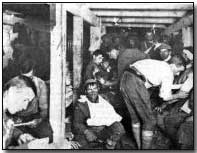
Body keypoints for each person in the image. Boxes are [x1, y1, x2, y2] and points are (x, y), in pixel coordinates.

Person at [120, 54, 186, 149]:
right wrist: (178, 95)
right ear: (173, 65)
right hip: (136, 83)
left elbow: (162, 84)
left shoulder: (161, 65)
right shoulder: (168, 72)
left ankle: (139, 147)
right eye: (178, 71)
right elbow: (164, 96)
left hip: (125, 79)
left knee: (135, 118)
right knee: (150, 121)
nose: (178, 74)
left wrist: (180, 86)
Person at [73, 79, 125, 149]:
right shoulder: (81, 104)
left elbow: (112, 118)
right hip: (88, 130)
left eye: (95, 89)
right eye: (89, 90)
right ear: (85, 91)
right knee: (79, 145)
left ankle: (109, 145)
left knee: (119, 129)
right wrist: (87, 132)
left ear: (98, 89)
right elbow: (77, 123)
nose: (93, 92)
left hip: (103, 130)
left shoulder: (104, 101)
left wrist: (112, 140)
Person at [3, 75, 53, 149]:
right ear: (12, 91)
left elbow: (8, 126)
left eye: (28, 101)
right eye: (25, 100)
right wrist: (26, 148)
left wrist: (20, 135)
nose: (25, 107)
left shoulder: (5, 114)